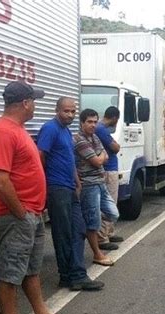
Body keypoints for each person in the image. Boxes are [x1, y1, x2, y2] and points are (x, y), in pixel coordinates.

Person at [0, 81, 71, 314]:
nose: (35, 104)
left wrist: (34, 209)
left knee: (30, 269)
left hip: (31, 214)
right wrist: (21, 213)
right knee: (11, 274)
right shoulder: (2, 132)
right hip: (17, 217)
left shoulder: (17, 130)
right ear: (24, 103)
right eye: (33, 100)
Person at [37, 97, 103, 291]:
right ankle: (69, 276)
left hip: (70, 187)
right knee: (63, 233)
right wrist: (44, 183)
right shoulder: (50, 128)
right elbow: (40, 155)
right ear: (57, 110)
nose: (71, 115)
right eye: (67, 111)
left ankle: (75, 274)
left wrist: (76, 181)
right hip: (57, 187)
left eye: (73, 111)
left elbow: (69, 160)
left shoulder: (66, 132)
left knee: (78, 229)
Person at [74, 108, 119, 264]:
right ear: (82, 123)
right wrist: (99, 157)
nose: (93, 125)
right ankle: (97, 253)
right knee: (93, 222)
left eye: (94, 122)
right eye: (89, 122)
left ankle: (92, 225)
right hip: (89, 185)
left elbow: (104, 156)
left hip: (100, 182)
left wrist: (99, 157)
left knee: (113, 213)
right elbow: (99, 160)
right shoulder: (79, 139)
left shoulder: (94, 137)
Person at [95, 106, 124, 250]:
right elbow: (115, 147)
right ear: (114, 118)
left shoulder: (100, 128)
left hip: (108, 169)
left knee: (112, 201)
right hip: (107, 170)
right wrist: (117, 145)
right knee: (109, 203)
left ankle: (109, 232)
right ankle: (102, 238)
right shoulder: (101, 129)